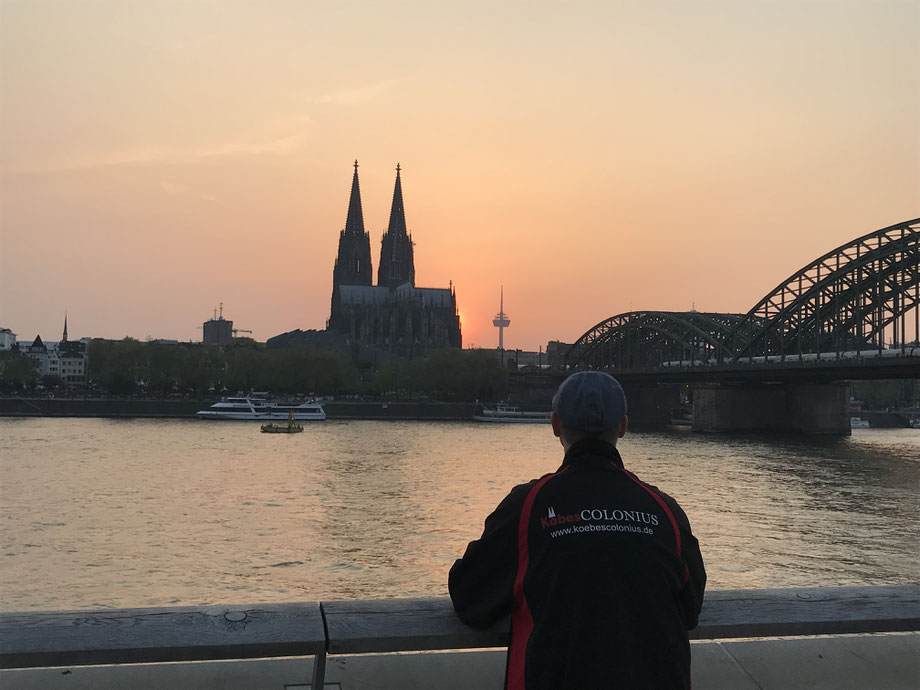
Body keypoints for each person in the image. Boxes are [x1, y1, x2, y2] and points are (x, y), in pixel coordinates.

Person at [449, 371, 705, 689]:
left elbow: (469, 599)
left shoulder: (527, 508)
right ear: (623, 426)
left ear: (556, 425)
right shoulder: (665, 510)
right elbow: (691, 607)